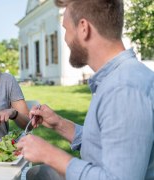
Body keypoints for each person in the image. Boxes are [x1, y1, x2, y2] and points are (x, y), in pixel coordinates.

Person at [17, 0, 154, 179]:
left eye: (66, 29)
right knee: (37, 174)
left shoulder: (123, 88)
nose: (65, 39)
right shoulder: (116, 78)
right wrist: (58, 123)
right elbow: (102, 143)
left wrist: (49, 154)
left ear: (83, 28)